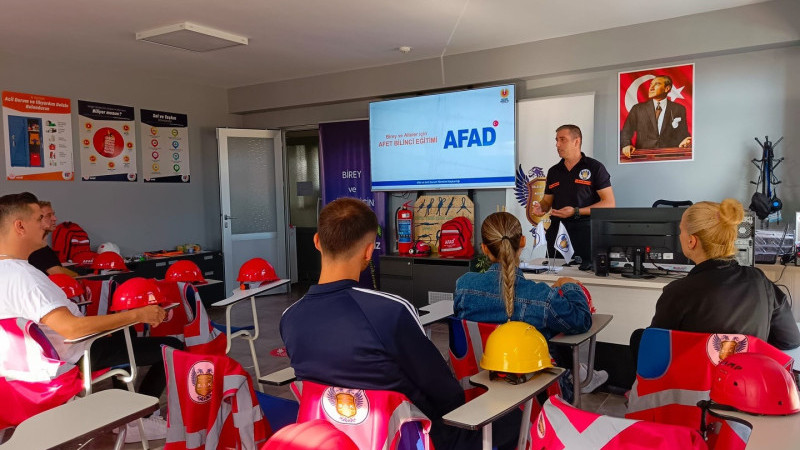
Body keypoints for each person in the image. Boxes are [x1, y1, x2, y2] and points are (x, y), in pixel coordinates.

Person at [280, 197, 521, 450]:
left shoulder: (290, 319)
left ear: (317, 241)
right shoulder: (390, 311)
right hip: (414, 437)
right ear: (368, 251)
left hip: (333, 439)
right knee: (513, 418)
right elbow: (444, 393)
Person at [0, 192, 181, 442]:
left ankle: (126, 412)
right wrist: (137, 313)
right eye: (39, 218)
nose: (46, 225)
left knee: (124, 332)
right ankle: (139, 420)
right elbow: (72, 329)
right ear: (20, 226)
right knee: (172, 347)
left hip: (19, 371)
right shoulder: (26, 278)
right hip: (72, 356)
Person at [454, 211, 607, 399]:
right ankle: (578, 375)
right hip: (535, 395)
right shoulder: (542, 297)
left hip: (479, 385)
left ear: (484, 248)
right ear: (523, 242)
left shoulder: (464, 286)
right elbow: (582, 321)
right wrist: (569, 286)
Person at [630, 199, 800, 362]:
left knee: (639, 337)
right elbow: (790, 339)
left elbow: (654, 354)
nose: (679, 235)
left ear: (691, 241)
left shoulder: (677, 292)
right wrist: (745, 347)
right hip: (743, 386)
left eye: (681, 230)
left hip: (694, 386)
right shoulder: (760, 280)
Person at [533, 125, 615, 261]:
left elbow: (609, 203)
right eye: (556, 140)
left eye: (562, 140)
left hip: (586, 232)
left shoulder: (595, 168)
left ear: (576, 141)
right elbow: (547, 201)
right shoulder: (554, 171)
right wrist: (541, 207)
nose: (557, 144)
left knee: (586, 276)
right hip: (558, 233)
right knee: (556, 276)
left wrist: (576, 211)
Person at [620, 75, 692, 158]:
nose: (651, 88)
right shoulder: (638, 109)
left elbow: (683, 133)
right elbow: (626, 131)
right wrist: (626, 145)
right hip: (643, 158)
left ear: (667, 88)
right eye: (651, 84)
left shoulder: (679, 109)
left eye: (656, 84)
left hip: (670, 157)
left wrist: (686, 140)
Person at [27, 200, 79, 277]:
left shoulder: (43, 247)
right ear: (36, 219)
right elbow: (57, 272)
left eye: (53, 214)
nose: (54, 218)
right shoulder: (35, 248)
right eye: (48, 216)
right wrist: (78, 277)